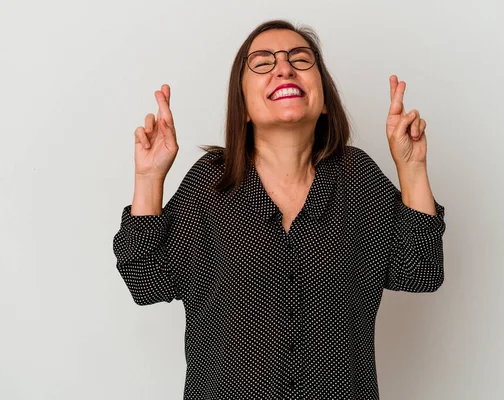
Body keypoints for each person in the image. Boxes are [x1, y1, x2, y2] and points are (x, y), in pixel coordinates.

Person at [113, 19, 446, 400]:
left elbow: (421, 272)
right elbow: (145, 282)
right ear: (244, 110)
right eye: (263, 62)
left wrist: (413, 168)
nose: (284, 68)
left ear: (324, 101)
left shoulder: (358, 179)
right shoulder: (210, 185)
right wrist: (149, 179)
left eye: (300, 59)